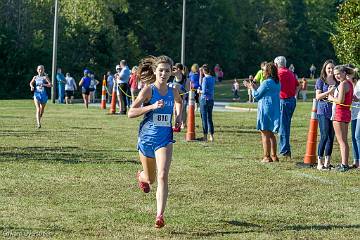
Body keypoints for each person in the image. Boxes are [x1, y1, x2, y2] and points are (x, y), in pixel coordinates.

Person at [128, 55, 182, 228]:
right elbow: (131, 112)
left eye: (167, 71)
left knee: (162, 175)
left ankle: (159, 215)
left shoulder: (173, 90)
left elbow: (179, 102)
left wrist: (179, 116)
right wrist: (151, 106)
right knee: (150, 179)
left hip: (164, 139)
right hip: (146, 139)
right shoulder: (148, 90)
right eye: (161, 70)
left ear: (171, 72)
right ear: (155, 71)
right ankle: (141, 176)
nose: (164, 74)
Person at [244, 62, 280, 162]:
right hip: (274, 109)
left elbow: (256, 95)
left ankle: (266, 157)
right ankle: (274, 156)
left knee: (264, 133)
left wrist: (250, 87)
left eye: (264, 70)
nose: (262, 71)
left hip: (266, 109)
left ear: (268, 71)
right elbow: (262, 92)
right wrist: (254, 87)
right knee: (271, 134)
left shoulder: (266, 82)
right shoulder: (277, 82)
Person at [328, 65, 354, 172]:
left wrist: (330, 97)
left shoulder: (343, 84)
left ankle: (344, 165)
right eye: (335, 75)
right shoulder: (349, 83)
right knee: (344, 141)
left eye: (339, 73)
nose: (337, 76)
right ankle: (345, 164)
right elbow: (351, 98)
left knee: (341, 141)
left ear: (344, 73)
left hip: (339, 113)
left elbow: (340, 101)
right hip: (346, 113)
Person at [274, 56, 299, 159]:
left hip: (283, 101)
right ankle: (285, 149)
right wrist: (294, 95)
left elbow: (272, 85)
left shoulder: (279, 73)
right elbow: (298, 85)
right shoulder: (290, 72)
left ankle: (285, 151)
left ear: (276, 64)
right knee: (284, 125)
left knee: (283, 127)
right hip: (291, 100)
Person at [314, 59, 337, 170]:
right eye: (328, 68)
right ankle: (319, 162)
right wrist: (329, 92)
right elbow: (318, 97)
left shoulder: (337, 81)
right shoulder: (320, 81)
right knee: (324, 135)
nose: (331, 70)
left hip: (334, 112)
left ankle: (327, 162)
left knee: (331, 137)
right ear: (325, 69)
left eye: (332, 68)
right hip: (322, 111)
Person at [171, 63, 190, 129]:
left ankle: (183, 124)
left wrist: (184, 98)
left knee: (183, 110)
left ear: (178, 70)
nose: (173, 71)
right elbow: (170, 72)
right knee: (174, 110)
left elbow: (187, 90)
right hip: (175, 96)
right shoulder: (174, 78)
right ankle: (176, 124)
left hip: (183, 97)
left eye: (174, 69)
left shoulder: (186, 79)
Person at [199, 64, 215, 142]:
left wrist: (199, 91)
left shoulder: (205, 79)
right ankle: (211, 136)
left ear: (204, 71)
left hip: (204, 100)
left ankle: (205, 136)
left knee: (204, 118)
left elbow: (204, 91)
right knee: (210, 118)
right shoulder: (212, 78)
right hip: (211, 100)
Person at [350, 66, 360, 168]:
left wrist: (357, 99)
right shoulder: (347, 84)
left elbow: (357, 99)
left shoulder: (359, 83)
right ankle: (355, 161)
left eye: (349, 73)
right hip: (353, 113)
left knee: (358, 136)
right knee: (353, 137)